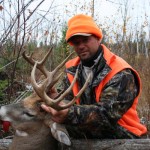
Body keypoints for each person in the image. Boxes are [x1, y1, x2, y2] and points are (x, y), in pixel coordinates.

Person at [41, 14, 147, 139]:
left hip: (125, 134)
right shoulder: (72, 70)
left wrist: (69, 114)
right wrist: (56, 98)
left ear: (98, 38)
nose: (81, 46)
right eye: (76, 42)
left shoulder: (120, 72)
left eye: (85, 40)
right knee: (45, 125)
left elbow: (107, 114)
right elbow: (69, 102)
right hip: (89, 128)